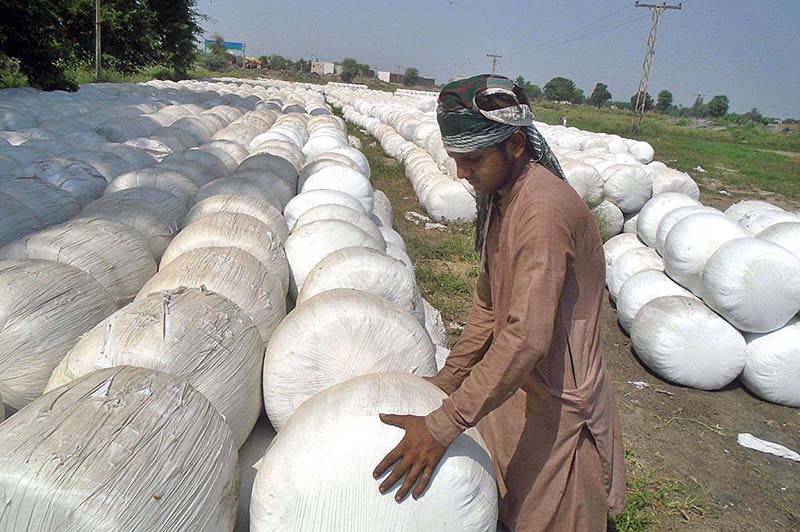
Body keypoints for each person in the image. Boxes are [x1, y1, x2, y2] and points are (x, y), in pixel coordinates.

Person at [373, 74, 626, 532]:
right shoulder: (504, 198)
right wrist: (450, 379)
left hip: (559, 399)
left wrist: (443, 424)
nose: (460, 173)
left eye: (472, 159)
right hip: (516, 384)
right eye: (455, 160)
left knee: (552, 517)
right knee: (502, 505)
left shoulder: (542, 212)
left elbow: (526, 337)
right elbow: (490, 307)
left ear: (513, 144)